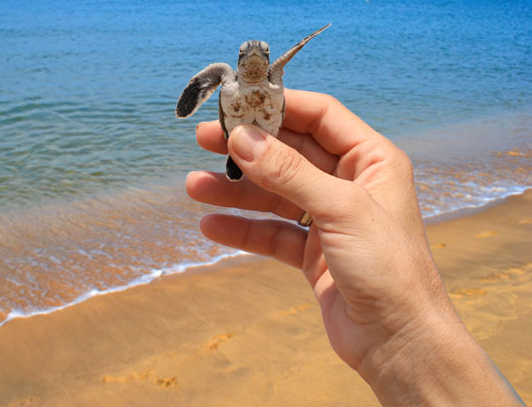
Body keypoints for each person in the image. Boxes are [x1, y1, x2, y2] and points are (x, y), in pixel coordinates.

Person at [184, 88, 523, 406]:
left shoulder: (272, 80)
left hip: (264, 130)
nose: (253, 58)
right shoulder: (231, 76)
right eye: (247, 56)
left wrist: (401, 333)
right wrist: (399, 336)